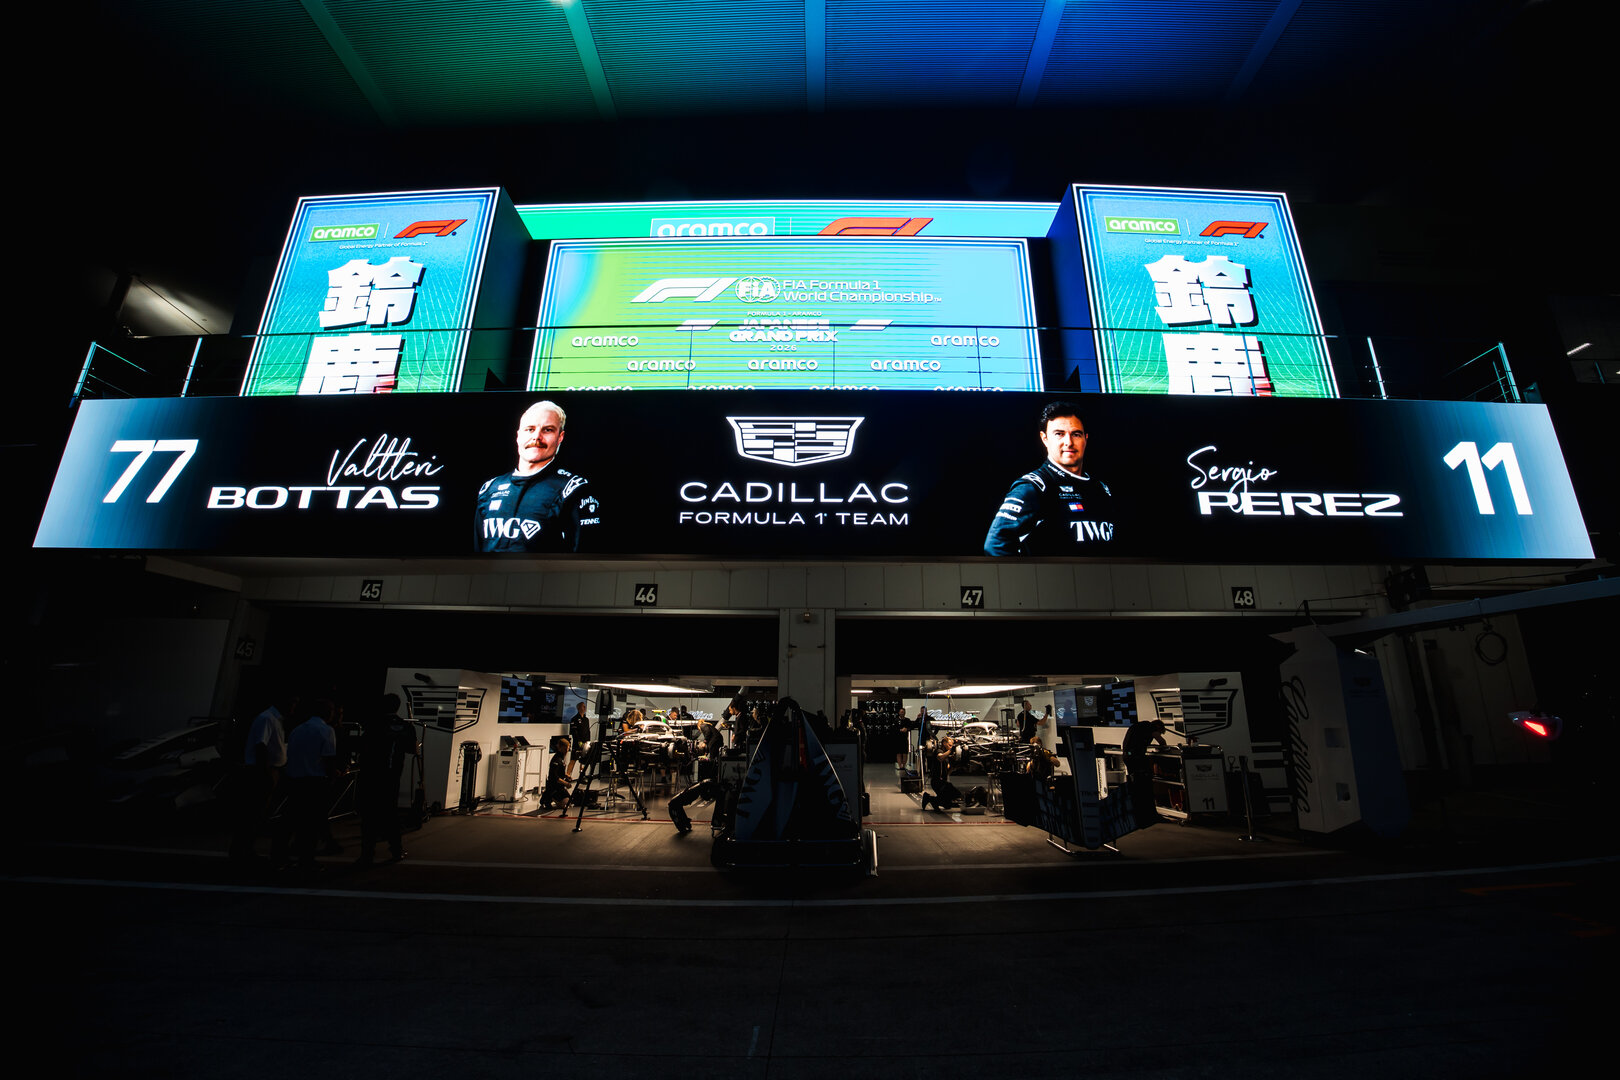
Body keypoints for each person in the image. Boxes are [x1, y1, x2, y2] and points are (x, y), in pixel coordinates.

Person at [984, 401, 1119, 556]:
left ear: (1085, 439)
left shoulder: (1101, 488)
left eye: (1076, 434)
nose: (1068, 442)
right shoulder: (1033, 486)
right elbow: (996, 545)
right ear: (1045, 439)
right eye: (1059, 434)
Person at [475, 400, 600, 553]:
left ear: (560, 437)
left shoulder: (573, 489)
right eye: (530, 429)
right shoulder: (489, 489)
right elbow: (477, 554)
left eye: (547, 430)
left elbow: (585, 558)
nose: (536, 437)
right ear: (518, 435)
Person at [230, 695, 293, 864]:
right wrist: (265, 771)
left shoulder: (273, 719)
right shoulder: (268, 719)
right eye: (293, 702)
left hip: (267, 769)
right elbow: (261, 745)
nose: (294, 707)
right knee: (254, 812)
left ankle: (244, 849)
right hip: (263, 771)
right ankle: (242, 850)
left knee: (256, 813)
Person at [356, 694, 414, 864]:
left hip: (372, 775)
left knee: (369, 816)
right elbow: (412, 748)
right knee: (391, 813)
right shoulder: (405, 726)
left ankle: (367, 853)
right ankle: (396, 850)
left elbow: (363, 747)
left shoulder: (373, 724)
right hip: (393, 775)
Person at [281, 700, 338, 871]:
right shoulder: (326, 731)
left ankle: (281, 855)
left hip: (295, 779)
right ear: (328, 713)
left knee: (291, 820)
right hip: (315, 780)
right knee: (311, 822)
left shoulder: (297, 730)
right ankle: (307, 860)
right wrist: (332, 776)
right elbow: (328, 757)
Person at [669, 699, 740, 833]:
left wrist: (704, 744)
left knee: (711, 759)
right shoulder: (712, 728)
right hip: (717, 743)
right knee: (711, 758)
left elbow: (707, 736)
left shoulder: (703, 726)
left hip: (714, 743)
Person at [1121, 718, 1170, 816]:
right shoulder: (1151, 727)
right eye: (1159, 732)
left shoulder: (1138, 726)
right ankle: (1148, 811)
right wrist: (1164, 749)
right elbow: (1162, 742)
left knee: (1135, 784)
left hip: (1127, 756)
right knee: (1145, 784)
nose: (1159, 734)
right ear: (1158, 727)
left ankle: (1138, 810)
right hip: (1136, 758)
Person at [921, 735, 963, 811]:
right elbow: (940, 757)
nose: (951, 747)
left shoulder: (947, 756)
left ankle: (932, 800)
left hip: (943, 781)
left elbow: (948, 771)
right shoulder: (938, 751)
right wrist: (951, 750)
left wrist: (954, 766)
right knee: (956, 794)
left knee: (948, 805)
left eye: (952, 746)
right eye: (949, 745)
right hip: (937, 781)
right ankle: (929, 799)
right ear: (944, 743)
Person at [540, 737, 572, 810]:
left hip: (560, 786)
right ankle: (549, 797)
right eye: (565, 749)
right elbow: (554, 777)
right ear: (560, 747)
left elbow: (561, 772)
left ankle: (549, 797)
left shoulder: (562, 758)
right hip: (554, 786)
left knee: (569, 802)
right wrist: (566, 783)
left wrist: (567, 776)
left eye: (568, 749)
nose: (566, 751)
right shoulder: (556, 759)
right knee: (564, 805)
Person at [566, 701, 592, 779]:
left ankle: (582, 775)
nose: (584, 708)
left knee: (584, 760)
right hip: (577, 743)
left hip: (586, 743)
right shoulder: (574, 719)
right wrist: (578, 741)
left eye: (585, 707)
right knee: (573, 759)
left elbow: (588, 731)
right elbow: (574, 732)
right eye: (583, 706)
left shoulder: (586, 719)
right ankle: (567, 775)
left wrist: (588, 742)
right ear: (578, 708)